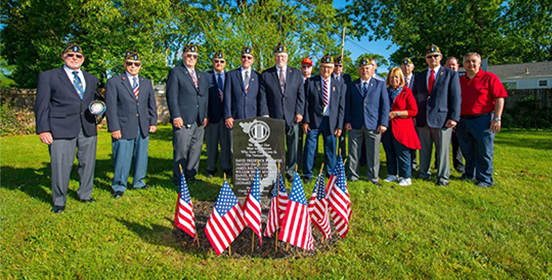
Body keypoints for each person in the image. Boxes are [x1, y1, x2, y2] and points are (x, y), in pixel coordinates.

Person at [35, 43, 100, 213]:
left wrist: (99, 113)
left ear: (83, 59)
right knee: (61, 165)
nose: (74, 58)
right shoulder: (48, 77)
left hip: (87, 126)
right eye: (70, 55)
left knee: (87, 164)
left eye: (78, 56)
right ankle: (59, 200)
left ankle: (85, 194)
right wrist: (43, 129)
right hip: (60, 127)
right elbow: (41, 105)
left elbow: (97, 100)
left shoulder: (91, 79)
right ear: (63, 57)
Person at [105, 50, 158, 198]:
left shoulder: (146, 82)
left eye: (136, 64)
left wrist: (153, 121)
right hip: (123, 126)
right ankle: (119, 186)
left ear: (140, 66)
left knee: (142, 156)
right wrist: (114, 127)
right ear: (124, 64)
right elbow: (111, 107)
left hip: (143, 125)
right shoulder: (114, 82)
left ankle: (139, 182)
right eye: (130, 63)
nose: (133, 66)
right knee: (122, 157)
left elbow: (151, 104)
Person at [412, 44, 461, 186]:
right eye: (429, 57)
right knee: (424, 149)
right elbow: (416, 97)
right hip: (423, 118)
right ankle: (424, 173)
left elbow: (455, 97)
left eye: (435, 56)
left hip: (442, 119)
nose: (432, 58)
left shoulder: (450, 74)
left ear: (440, 57)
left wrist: (454, 117)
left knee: (443, 151)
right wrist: (415, 114)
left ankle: (443, 177)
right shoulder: (420, 76)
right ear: (426, 59)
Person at [457, 52, 507, 187]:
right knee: (467, 150)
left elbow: (499, 98)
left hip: (483, 120)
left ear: (479, 63)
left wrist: (497, 118)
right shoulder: (460, 81)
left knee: (484, 151)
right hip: (463, 120)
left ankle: (485, 179)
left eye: (474, 61)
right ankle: (469, 174)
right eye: (467, 61)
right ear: (463, 64)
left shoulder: (489, 78)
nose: (470, 64)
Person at [260, 42, 305, 180]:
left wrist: (299, 112)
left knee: (293, 147)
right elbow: (263, 96)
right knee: (275, 146)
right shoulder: (266, 74)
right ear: (274, 57)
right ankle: (276, 171)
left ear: (287, 57)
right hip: (274, 116)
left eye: (283, 56)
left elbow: (301, 94)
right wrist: (265, 113)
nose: (280, 59)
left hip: (292, 116)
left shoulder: (296, 73)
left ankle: (291, 171)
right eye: (278, 56)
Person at [166, 43, 209, 183]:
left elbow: (204, 97)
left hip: (199, 119)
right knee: (181, 149)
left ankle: (191, 175)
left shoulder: (202, 75)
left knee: (196, 149)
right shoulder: (176, 72)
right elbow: (172, 96)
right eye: (189, 55)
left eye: (194, 56)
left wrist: (205, 115)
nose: (191, 58)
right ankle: (178, 178)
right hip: (183, 118)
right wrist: (176, 115)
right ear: (183, 56)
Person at [345, 58, 389, 186]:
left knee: (373, 153)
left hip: (374, 124)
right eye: (362, 68)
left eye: (367, 68)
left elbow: (385, 106)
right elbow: (348, 105)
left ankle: (373, 177)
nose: (365, 71)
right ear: (359, 70)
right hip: (355, 123)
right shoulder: (352, 85)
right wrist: (347, 121)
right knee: (353, 152)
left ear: (372, 69)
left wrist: (383, 123)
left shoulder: (380, 85)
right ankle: (352, 175)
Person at [302, 54, 346, 184]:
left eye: (328, 67)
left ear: (333, 69)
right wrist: (305, 120)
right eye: (323, 67)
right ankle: (307, 173)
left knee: (331, 148)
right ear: (319, 67)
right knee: (310, 147)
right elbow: (306, 103)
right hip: (314, 120)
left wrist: (339, 126)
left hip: (330, 121)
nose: (326, 70)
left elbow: (341, 107)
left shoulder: (339, 85)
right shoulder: (311, 82)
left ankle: (330, 173)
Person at [381, 67, 421, 186]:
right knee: (389, 150)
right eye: (392, 77)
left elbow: (414, 111)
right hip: (388, 126)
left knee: (402, 151)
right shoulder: (386, 91)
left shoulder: (406, 91)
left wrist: (396, 113)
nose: (394, 79)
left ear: (401, 79)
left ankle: (406, 176)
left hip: (402, 127)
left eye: (396, 77)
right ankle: (392, 174)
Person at [205, 50, 232, 178]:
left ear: (225, 63)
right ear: (212, 62)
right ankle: (210, 168)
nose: (219, 63)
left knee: (226, 144)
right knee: (211, 144)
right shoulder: (206, 76)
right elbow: (203, 98)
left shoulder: (230, 76)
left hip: (226, 116)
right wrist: (205, 115)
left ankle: (226, 167)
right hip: (211, 116)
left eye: (221, 61)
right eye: (216, 61)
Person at [444, 56, 465, 173]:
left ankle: (459, 166)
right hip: (444, 117)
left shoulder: (462, 79)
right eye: (448, 64)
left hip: (460, 117)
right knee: (442, 144)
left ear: (458, 66)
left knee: (458, 144)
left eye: (453, 64)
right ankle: (439, 164)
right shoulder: (442, 80)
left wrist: (456, 117)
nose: (451, 67)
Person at [400, 57, 418, 171]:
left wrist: (415, 116)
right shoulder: (398, 80)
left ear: (412, 67)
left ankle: (413, 163)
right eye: (404, 66)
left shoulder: (418, 80)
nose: (406, 68)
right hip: (401, 117)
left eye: (408, 65)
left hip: (414, 116)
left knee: (413, 140)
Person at [332, 55, 351, 158]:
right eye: (336, 65)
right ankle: (331, 158)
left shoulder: (346, 78)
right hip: (333, 112)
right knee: (332, 137)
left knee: (342, 137)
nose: (337, 68)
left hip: (343, 111)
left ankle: (342, 157)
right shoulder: (329, 77)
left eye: (340, 66)